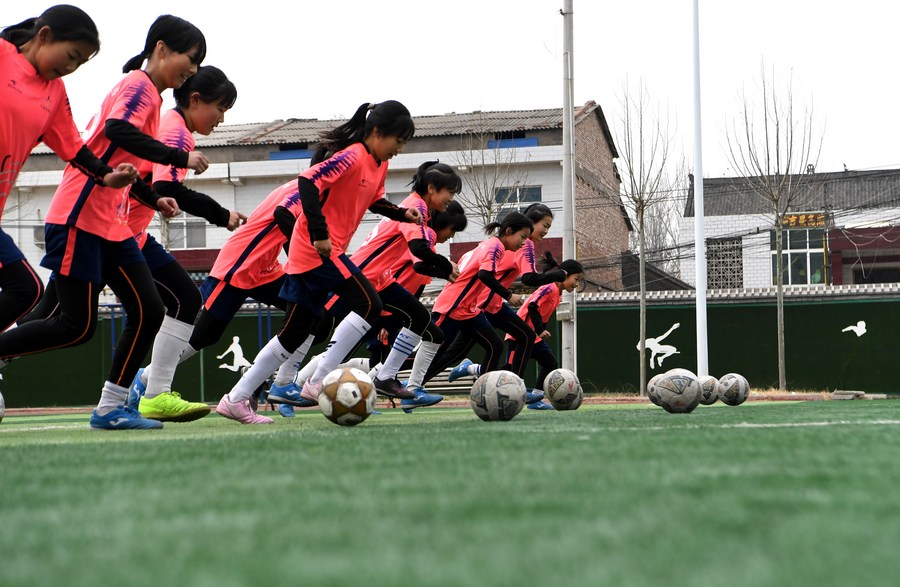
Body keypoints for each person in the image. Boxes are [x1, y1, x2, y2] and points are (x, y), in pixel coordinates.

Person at [0, 14, 208, 430]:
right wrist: (177, 157)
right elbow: (116, 130)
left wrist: (148, 194)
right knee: (71, 323)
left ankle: (112, 406)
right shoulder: (138, 86)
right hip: (80, 216)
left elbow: (87, 149)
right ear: (162, 49)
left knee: (148, 311)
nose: (193, 69)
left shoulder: (61, 91)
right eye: (191, 58)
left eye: (200, 64)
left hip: (112, 222)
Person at [216, 100, 421, 424]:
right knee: (369, 303)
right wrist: (319, 233)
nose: (399, 149)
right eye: (399, 141)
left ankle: (236, 398)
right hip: (318, 253)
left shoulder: (378, 164)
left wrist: (400, 213)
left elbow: (374, 200)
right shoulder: (353, 155)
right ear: (378, 132)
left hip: (315, 255)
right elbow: (308, 182)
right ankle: (315, 384)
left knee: (294, 333)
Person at [0, 5, 138, 341]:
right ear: (44, 35)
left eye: (80, 63)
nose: (71, 68)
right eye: (71, 56)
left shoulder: (54, 91)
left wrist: (106, 176)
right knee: (26, 287)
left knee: (26, 289)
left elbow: (74, 147)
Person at [126, 65, 245, 423]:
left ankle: (151, 390)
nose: (221, 119)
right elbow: (166, 188)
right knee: (64, 320)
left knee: (184, 299)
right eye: (220, 109)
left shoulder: (168, 122)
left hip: (130, 233)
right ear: (195, 100)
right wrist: (221, 214)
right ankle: (148, 390)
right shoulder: (177, 134)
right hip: (112, 233)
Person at [444, 203, 566, 403]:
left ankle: (506, 384)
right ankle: (408, 381)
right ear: (530, 223)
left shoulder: (520, 243)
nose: (546, 231)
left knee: (518, 339)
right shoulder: (525, 245)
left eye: (549, 227)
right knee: (455, 351)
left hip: (491, 304)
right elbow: (528, 278)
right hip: (483, 304)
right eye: (545, 225)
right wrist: (556, 275)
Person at [413, 212, 534, 389]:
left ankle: (487, 391)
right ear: (508, 231)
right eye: (522, 237)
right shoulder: (495, 247)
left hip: (468, 311)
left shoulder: (488, 245)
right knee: (432, 352)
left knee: (495, 346)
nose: (524, 242)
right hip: (452, 307)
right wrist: (508, 295)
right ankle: (382, 373)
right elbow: (484, 274)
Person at [506, 259, 584, 409]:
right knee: (508, 371)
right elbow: (532, 306)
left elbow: (543, 315)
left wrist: (539, 330)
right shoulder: (549, 288)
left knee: (550, 363)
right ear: (565, 275)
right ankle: (474, 368)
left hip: (532, 337)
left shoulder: (557, 294)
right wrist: (540, 330)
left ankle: (535, 400)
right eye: (576, 279)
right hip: (518, 335)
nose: (576, 284)